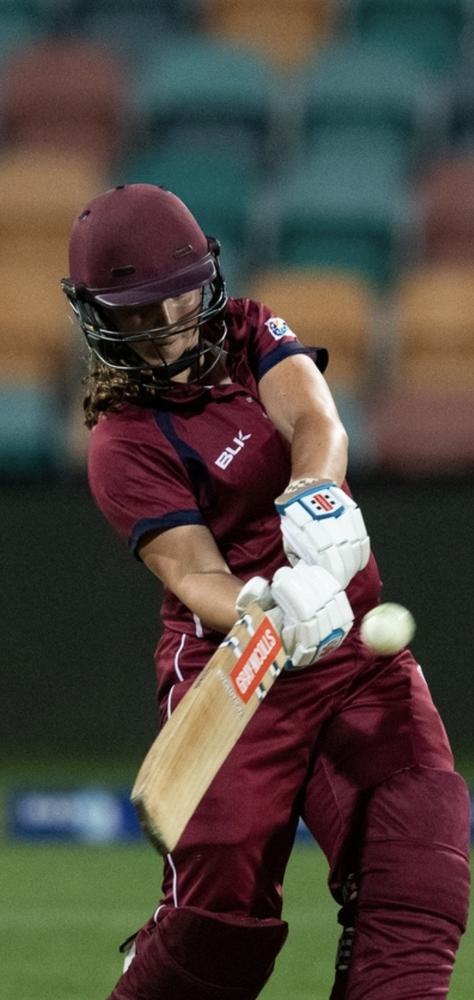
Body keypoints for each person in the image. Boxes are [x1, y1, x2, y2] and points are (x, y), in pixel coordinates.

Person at [61, 183, 470, 1000]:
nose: (169, 320)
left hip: (353, 653)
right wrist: (266, 605)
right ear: (102, 316)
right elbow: (194, 573)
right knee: (221, 921)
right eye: (139, 311)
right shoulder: (122, 443)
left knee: (419, 851)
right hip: (235, 666)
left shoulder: (248, 329)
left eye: (179, 295)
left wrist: (315, 495)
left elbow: (317, 424)